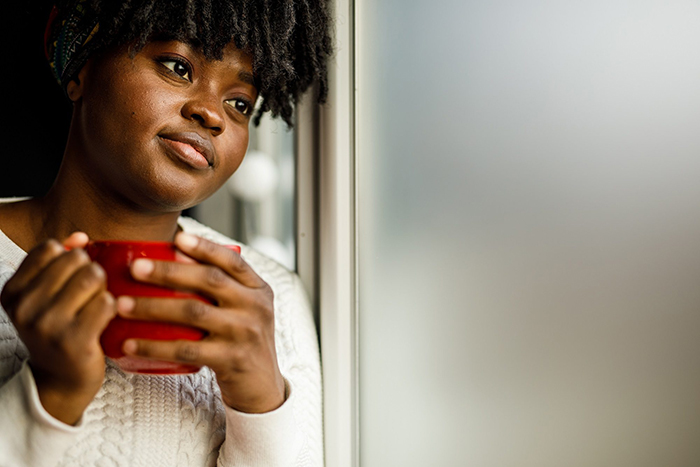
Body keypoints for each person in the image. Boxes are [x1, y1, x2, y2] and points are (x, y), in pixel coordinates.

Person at [0, 0, 332, 465]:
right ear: (81, 68)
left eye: (239, 103)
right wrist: (49, 395)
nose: (211, 114)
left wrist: (261, 404)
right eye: (178, 67)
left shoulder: (266, 298)